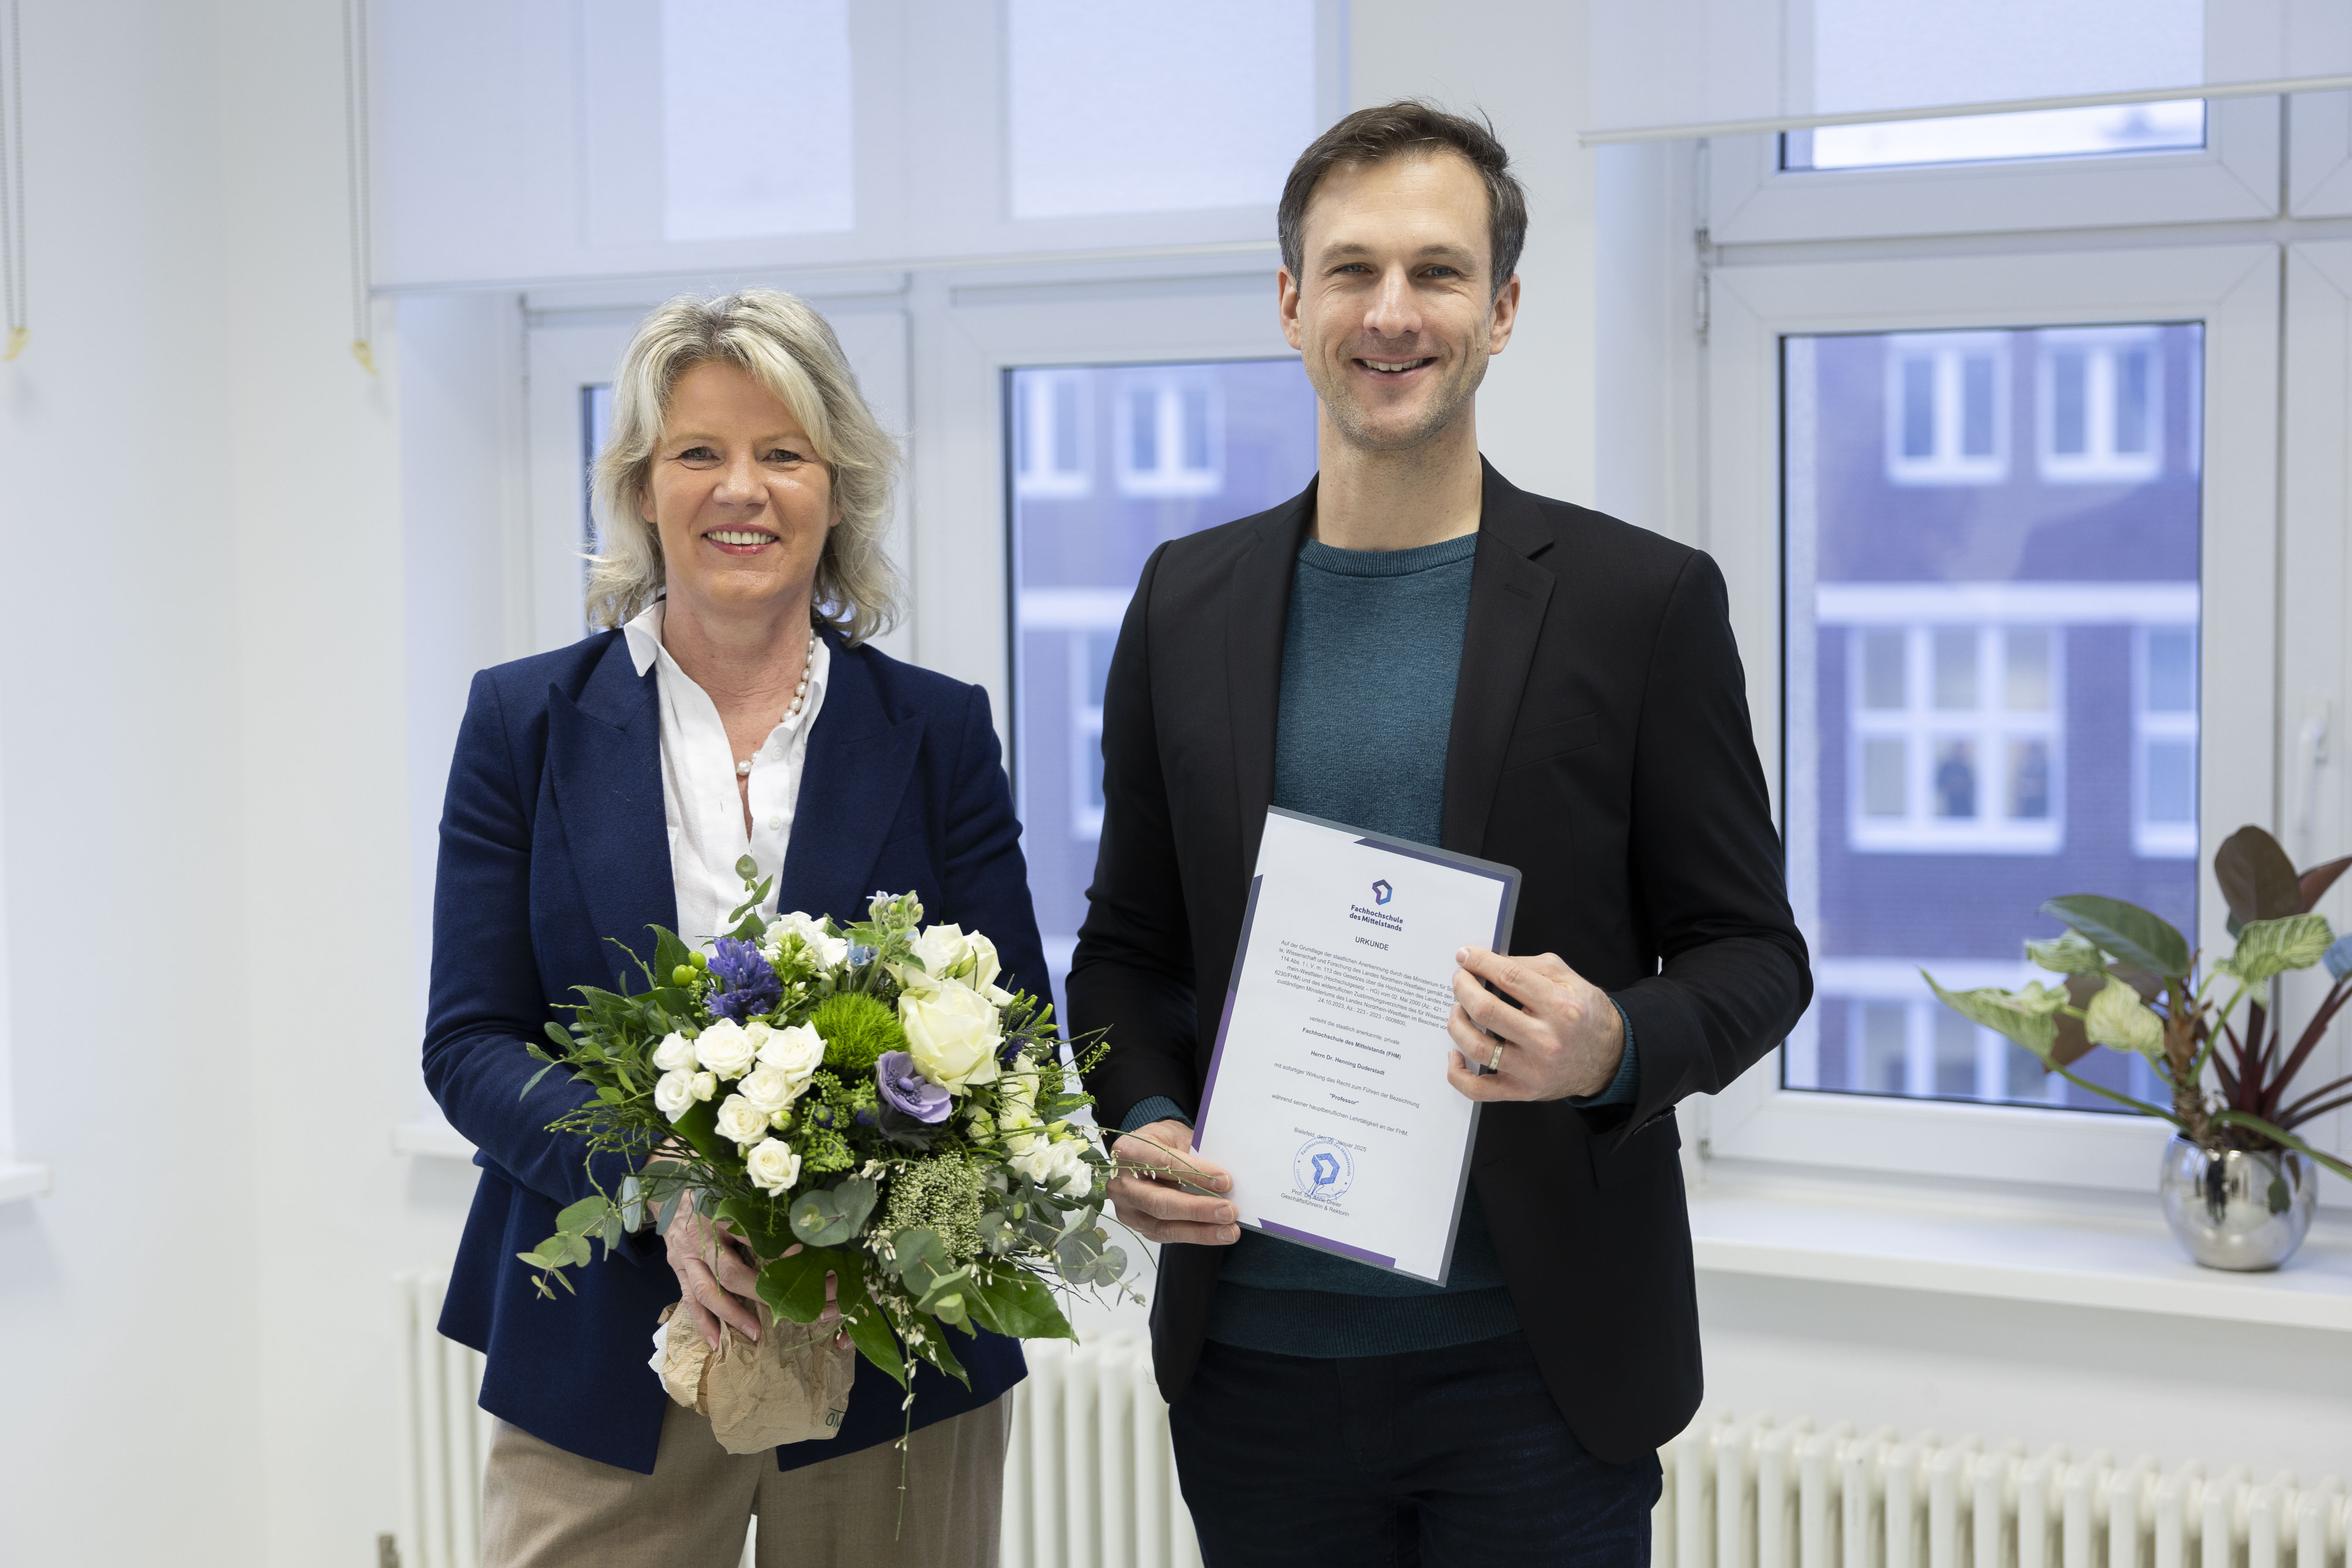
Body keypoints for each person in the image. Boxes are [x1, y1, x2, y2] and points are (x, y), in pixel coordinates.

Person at [1069, 102, 1812, 1566]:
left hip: (1535, 1370)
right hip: (1254, 1367)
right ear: (1290, 303)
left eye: (1437, 271)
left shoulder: (1640, 602)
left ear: (1504, 310)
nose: (1391, 312)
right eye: (1350, 270)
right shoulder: (1184, 599)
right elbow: (1129, 949)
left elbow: (1754, 954)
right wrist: (1141, 1114)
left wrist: (1610, 1044)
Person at [424, 290, 1038, 1568]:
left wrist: (849, 1193)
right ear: (641, 487)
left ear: (837, 487)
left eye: (783, 452)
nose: (740, 489)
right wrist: (666, 1181)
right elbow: (470, 1041)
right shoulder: (521, 724)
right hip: (598, 1350)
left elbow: (1013, 1035)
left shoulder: (939, 732)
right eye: (698, 451)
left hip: (889, 1348)